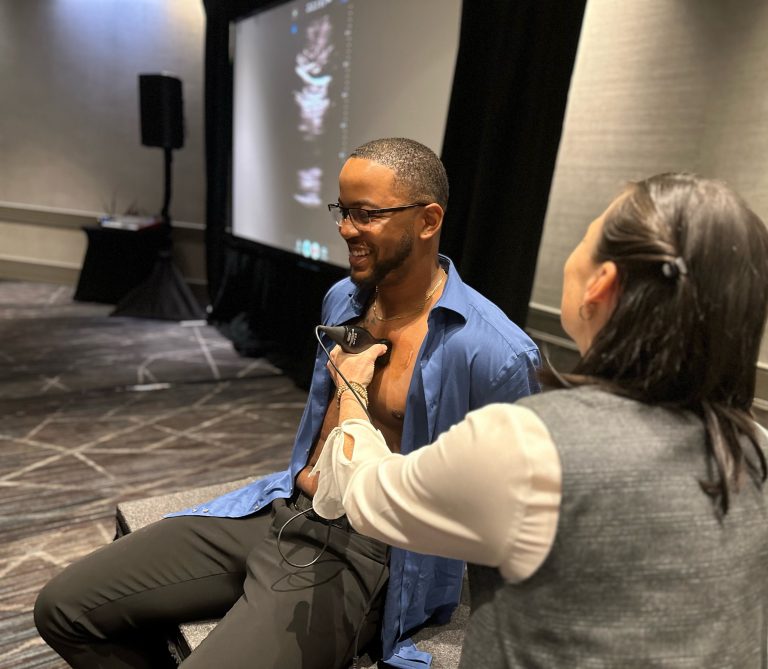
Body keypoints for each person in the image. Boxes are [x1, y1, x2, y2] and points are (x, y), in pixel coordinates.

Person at [34, 138, 541, 669]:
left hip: (365, 551)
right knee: (64, 608)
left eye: (366, 215)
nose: (346, 229)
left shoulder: (494, 352)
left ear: (428, 219)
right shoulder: (344, 297)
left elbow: (512, 514)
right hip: (283, 504)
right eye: (343, 211)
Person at [312, 173, 768, 668]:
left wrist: (352, 388)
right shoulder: (756, 448)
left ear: (600, 284)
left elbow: (369, 496)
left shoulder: (532, 441)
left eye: (585, 240)